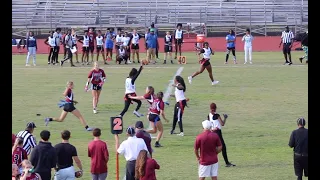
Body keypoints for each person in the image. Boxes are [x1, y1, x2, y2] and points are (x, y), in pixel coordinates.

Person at [208, 103, 236, 167]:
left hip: (212, 133)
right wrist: (225, 118)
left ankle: (211, 162)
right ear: (215, 108)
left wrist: (212, 129)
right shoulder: (217, 115)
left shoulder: (209, 115)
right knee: (223, 147)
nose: (213, 111)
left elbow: (209, 125)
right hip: (218, 133)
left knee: (214, 148)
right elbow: (222, 124)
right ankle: (227, 163)